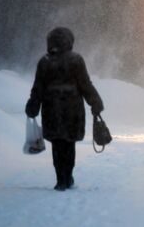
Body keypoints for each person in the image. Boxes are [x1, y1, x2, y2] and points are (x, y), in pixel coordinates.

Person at [25, 27, 104, 191]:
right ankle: (67, 177)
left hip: (52, 110)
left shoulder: (45, 62)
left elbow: (38, 88)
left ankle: (60, 178)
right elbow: (85, 85)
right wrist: (95, 103)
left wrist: (33, 106)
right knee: (69, 144)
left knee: (57, 145)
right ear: (69, 42)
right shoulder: (76, 60)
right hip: (72, 110)